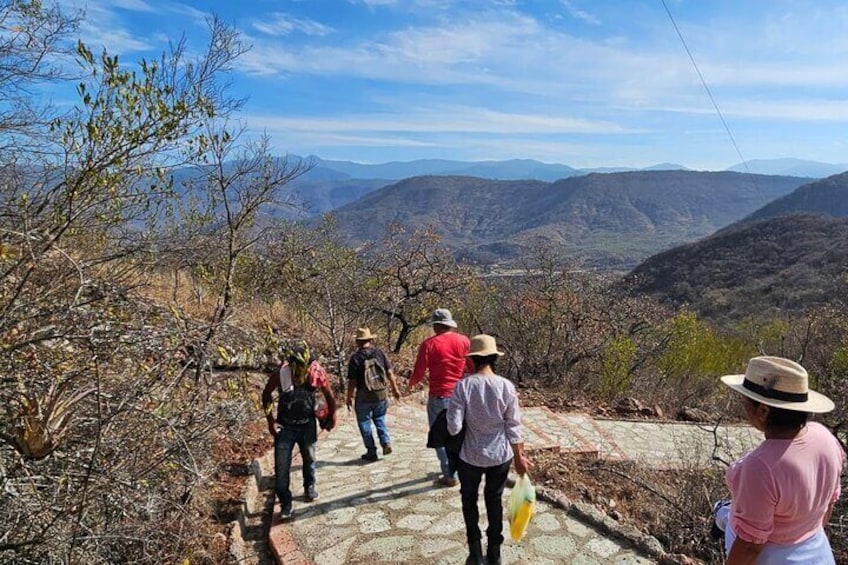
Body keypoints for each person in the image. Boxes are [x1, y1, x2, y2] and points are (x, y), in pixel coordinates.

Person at [717, 356, 844, 564]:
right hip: (817, 552)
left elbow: (750, 547)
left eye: (746, 399)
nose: (743, 405)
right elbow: (827, 507)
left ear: (763, 411)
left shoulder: (760, 467)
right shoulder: (825, 437)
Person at [447, 334, 530, 565]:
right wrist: (519, 456)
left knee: (469, 500)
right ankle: (495, 554)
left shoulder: (463, 386)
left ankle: (474, 553)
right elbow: (514, 425)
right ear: (494, 358)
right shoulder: (506, 386)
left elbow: (453, 429)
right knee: (494, 501)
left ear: (472, 359)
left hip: (470, 456)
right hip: (500, 456)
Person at [261, 342, 337, 520]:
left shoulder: (316, 371)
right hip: (285, 425)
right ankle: (285, 502)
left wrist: (332, 416)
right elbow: (266, 394)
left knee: (309, 457)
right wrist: (270, 421)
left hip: (307, 423)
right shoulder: (282, 374)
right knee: (282, 466)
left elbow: (329, 395)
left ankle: (309, 486)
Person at [408, 308, 471, 486]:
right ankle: (461, 468)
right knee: (459, 433)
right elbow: (472, 367)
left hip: (439, 395)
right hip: (461, 393)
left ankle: (450, 473)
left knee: (440, 435)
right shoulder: (464, 341)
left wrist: (411, 384)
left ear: (436, 325)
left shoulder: (429, 345)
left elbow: (419, 372)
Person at [346, 327, 401, 462]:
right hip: (381, 393)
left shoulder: (355, 358)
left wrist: (348, 397)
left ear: (358, 342)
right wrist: (395, 389)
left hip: (364, 395)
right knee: (380, 418)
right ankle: (385, 442)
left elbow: (352, 381)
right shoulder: (380, 353)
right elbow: (389, 373)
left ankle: (371, 452)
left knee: (364, 422)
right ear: (370, 340)